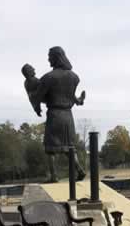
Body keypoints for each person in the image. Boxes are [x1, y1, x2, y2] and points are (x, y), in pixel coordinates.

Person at [27, 46, 86, 182]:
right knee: (69, 147)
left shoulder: (48, 78)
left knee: (50, 148)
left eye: (50, 56)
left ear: (56, 57)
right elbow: (71, 97)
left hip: (55, 115)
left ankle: (54, 176)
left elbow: (38, 96)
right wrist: (79, 100)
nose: (48, 59)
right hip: (68, 116)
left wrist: (31, 94)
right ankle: (80, 170)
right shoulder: (74, 77)